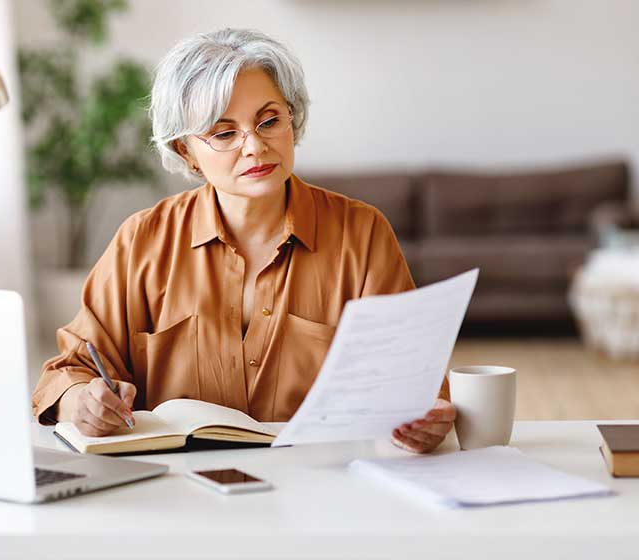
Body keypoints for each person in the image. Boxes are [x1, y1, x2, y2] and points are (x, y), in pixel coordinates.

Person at [31, 28, 456, 454]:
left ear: (294, 118)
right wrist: (80, 402)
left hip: (322, 488)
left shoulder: (361, 234)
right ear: (186, 152)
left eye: (269, 121)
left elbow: (413, 384)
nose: (255, 146)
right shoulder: (142, 240)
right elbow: (72, 371)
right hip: (176, 489)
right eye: (223, 133)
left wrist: (422, 422)